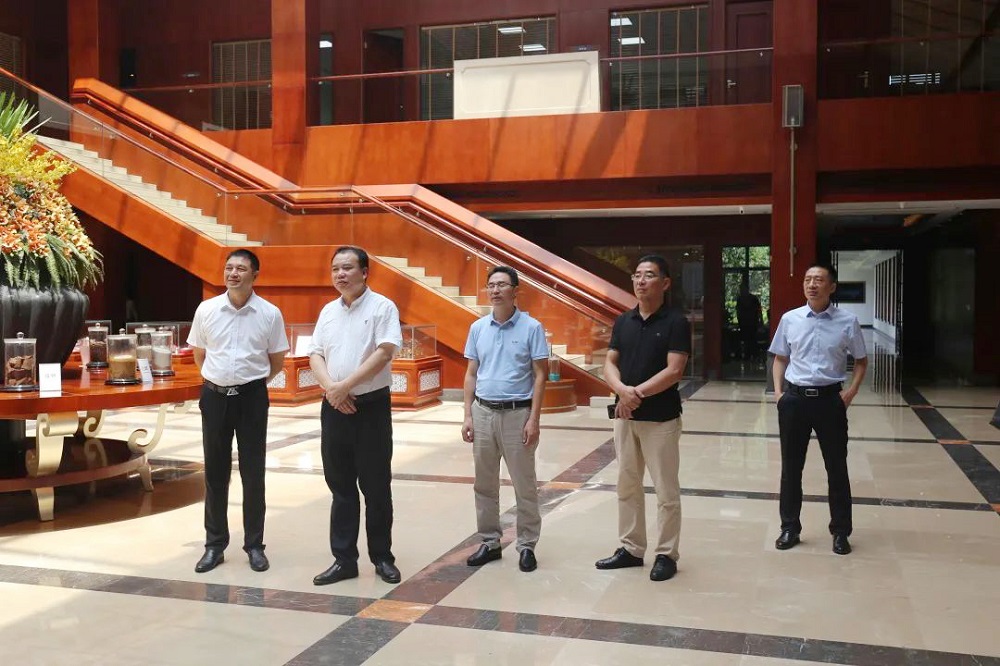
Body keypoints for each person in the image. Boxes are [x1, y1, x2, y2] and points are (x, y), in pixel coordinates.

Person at [188, 249, 289, 574]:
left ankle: (254, 546)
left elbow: (276, 361)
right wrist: (219, 380)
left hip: (251, 399)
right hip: (215, 397)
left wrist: (249, 384)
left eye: (241, 269)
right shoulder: (207, 309)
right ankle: (214, 545)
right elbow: (200, 354)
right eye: (229, 267)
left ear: (254, 275)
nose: (233, 273)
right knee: (215, 473)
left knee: (253, 473)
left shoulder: (270, 313)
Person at [309, 246, 403, 585]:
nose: (340, 274)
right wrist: (332, 391)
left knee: (376, 487)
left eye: (347, 268)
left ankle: (382, 557)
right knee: (341, 486)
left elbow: (384, 352)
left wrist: (344, 386)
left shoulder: (382, 307)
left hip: (371, 408)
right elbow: (315, 354)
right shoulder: (328, 311)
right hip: (334, 408)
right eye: (335, 268)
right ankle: (344, 559)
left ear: (365, 272)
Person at [596, 255, 690, 582]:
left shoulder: (676, 322)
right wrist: (622, 391)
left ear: (665, 283)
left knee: (666, 490)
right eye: (637, 275)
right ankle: (631, 549)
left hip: (660, 419)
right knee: (627, 484)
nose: (640, 281)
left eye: (648, 275)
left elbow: (674, 371)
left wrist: (634, 394)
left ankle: (666, 554)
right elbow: (609, 363)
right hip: (625, 417)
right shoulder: (624, 321)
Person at [769, 263, 868, 555]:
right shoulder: (790, 319)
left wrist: (850, 392)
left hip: (829, 401)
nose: (812, 284)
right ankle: (789, 527)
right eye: (808, 279)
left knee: (837, 467)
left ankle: (840, 532)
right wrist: (779, 394)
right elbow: (780, 358)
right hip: (794, 401)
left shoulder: (847, 321)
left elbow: (861, 360)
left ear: (832, 287)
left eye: (819, 280)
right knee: (791, 467)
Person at [461, 266, 548, 573]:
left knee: (524, 484)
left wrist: (534, 419)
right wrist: (467, 415)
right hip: (483, 412)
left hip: (517, 414)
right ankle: (489, 542)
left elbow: (540, 375)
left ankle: (527, 545)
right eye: (491, 285)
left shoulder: (532, 327)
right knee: (484, 483)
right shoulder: (477, 328)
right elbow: (471, 374)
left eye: (502, 284)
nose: (495, 290)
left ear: (515, 291)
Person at [736, 281, 763, 361]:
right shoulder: (739, 299)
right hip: (744, 323)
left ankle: (754, 355)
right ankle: (747, 355)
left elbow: (759, 310)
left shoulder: (753, 299)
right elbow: (738, 311)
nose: (742, 291)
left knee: (753, 339)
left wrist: (760, 321)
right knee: (746, 339)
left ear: (747, 289)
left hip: (752, 323)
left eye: (743, 289)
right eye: (741, 289)